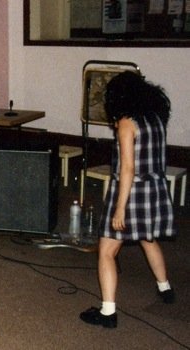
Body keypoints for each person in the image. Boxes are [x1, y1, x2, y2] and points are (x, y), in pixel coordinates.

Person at [80, 71, 176, 329]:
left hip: (131, 191)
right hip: (155, 189)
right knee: (148, 238)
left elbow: (128, 169)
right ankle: (165, 288)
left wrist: (120, 209)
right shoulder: (155, 118)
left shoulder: (126, 123)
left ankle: (108, 312)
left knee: (107, 251)